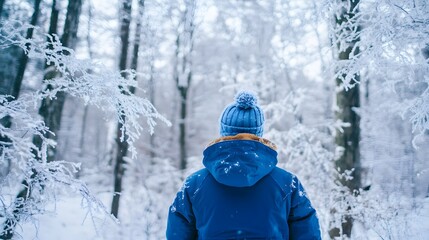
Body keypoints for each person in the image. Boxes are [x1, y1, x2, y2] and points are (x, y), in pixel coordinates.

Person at [166, 91, 321, 240]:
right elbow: (308, 234)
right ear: (258, 133)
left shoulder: (194, 184)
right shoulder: (287, 183)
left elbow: (177, 235)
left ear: (223, 132)